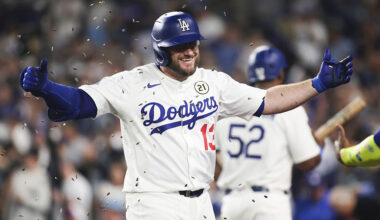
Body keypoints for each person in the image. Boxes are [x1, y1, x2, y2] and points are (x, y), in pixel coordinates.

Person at [19, 11, 353, 220]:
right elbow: (81, 102)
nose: (190, 50)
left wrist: (318, 83)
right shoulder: (131, 83)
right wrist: (48, 89)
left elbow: (268, 99)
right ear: (160, 49)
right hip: (154, 204)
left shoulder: (213, 82)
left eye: (193, 42)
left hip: (202, 202)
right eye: (181, 45)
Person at [214, 45, 321, 220]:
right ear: (281, 74)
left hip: (232, 203)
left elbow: (213, 165)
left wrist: (235, 174)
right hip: (270, 203)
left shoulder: (231, 104)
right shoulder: (290, 106)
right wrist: (317, 147)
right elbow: (308, 163)